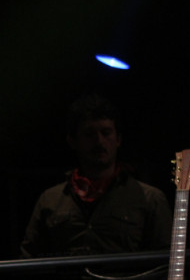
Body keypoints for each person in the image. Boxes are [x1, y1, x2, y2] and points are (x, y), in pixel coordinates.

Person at [20, 94, 172, 257]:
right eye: (89, 134)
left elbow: (166, 263)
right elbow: (29, 260)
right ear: (72, 141)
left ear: (118, 139)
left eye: (106, 133)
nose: (99, 141)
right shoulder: (50, 200)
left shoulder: (149, 199)